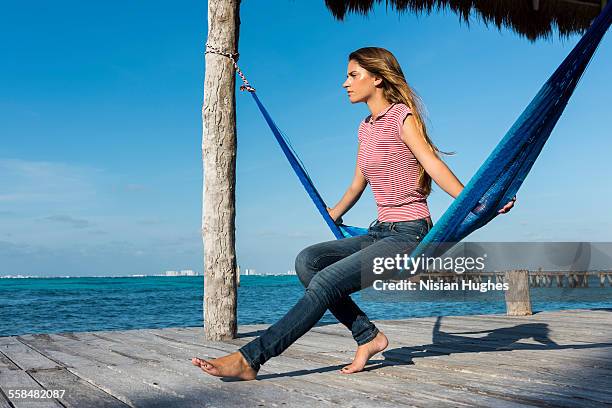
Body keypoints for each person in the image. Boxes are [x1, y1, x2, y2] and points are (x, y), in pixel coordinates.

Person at [192, 47, 516, 380]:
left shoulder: (401, 117)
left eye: (353, 75)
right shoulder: (365, 128)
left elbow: (433, 164)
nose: (345, 83)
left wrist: (477, 201)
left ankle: (251, 358)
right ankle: (368, 336)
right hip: (380, 232)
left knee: (327, 281)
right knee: (308, 261)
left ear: (377, 78)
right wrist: (333, 213)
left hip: (410, 235)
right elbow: (356, 186)